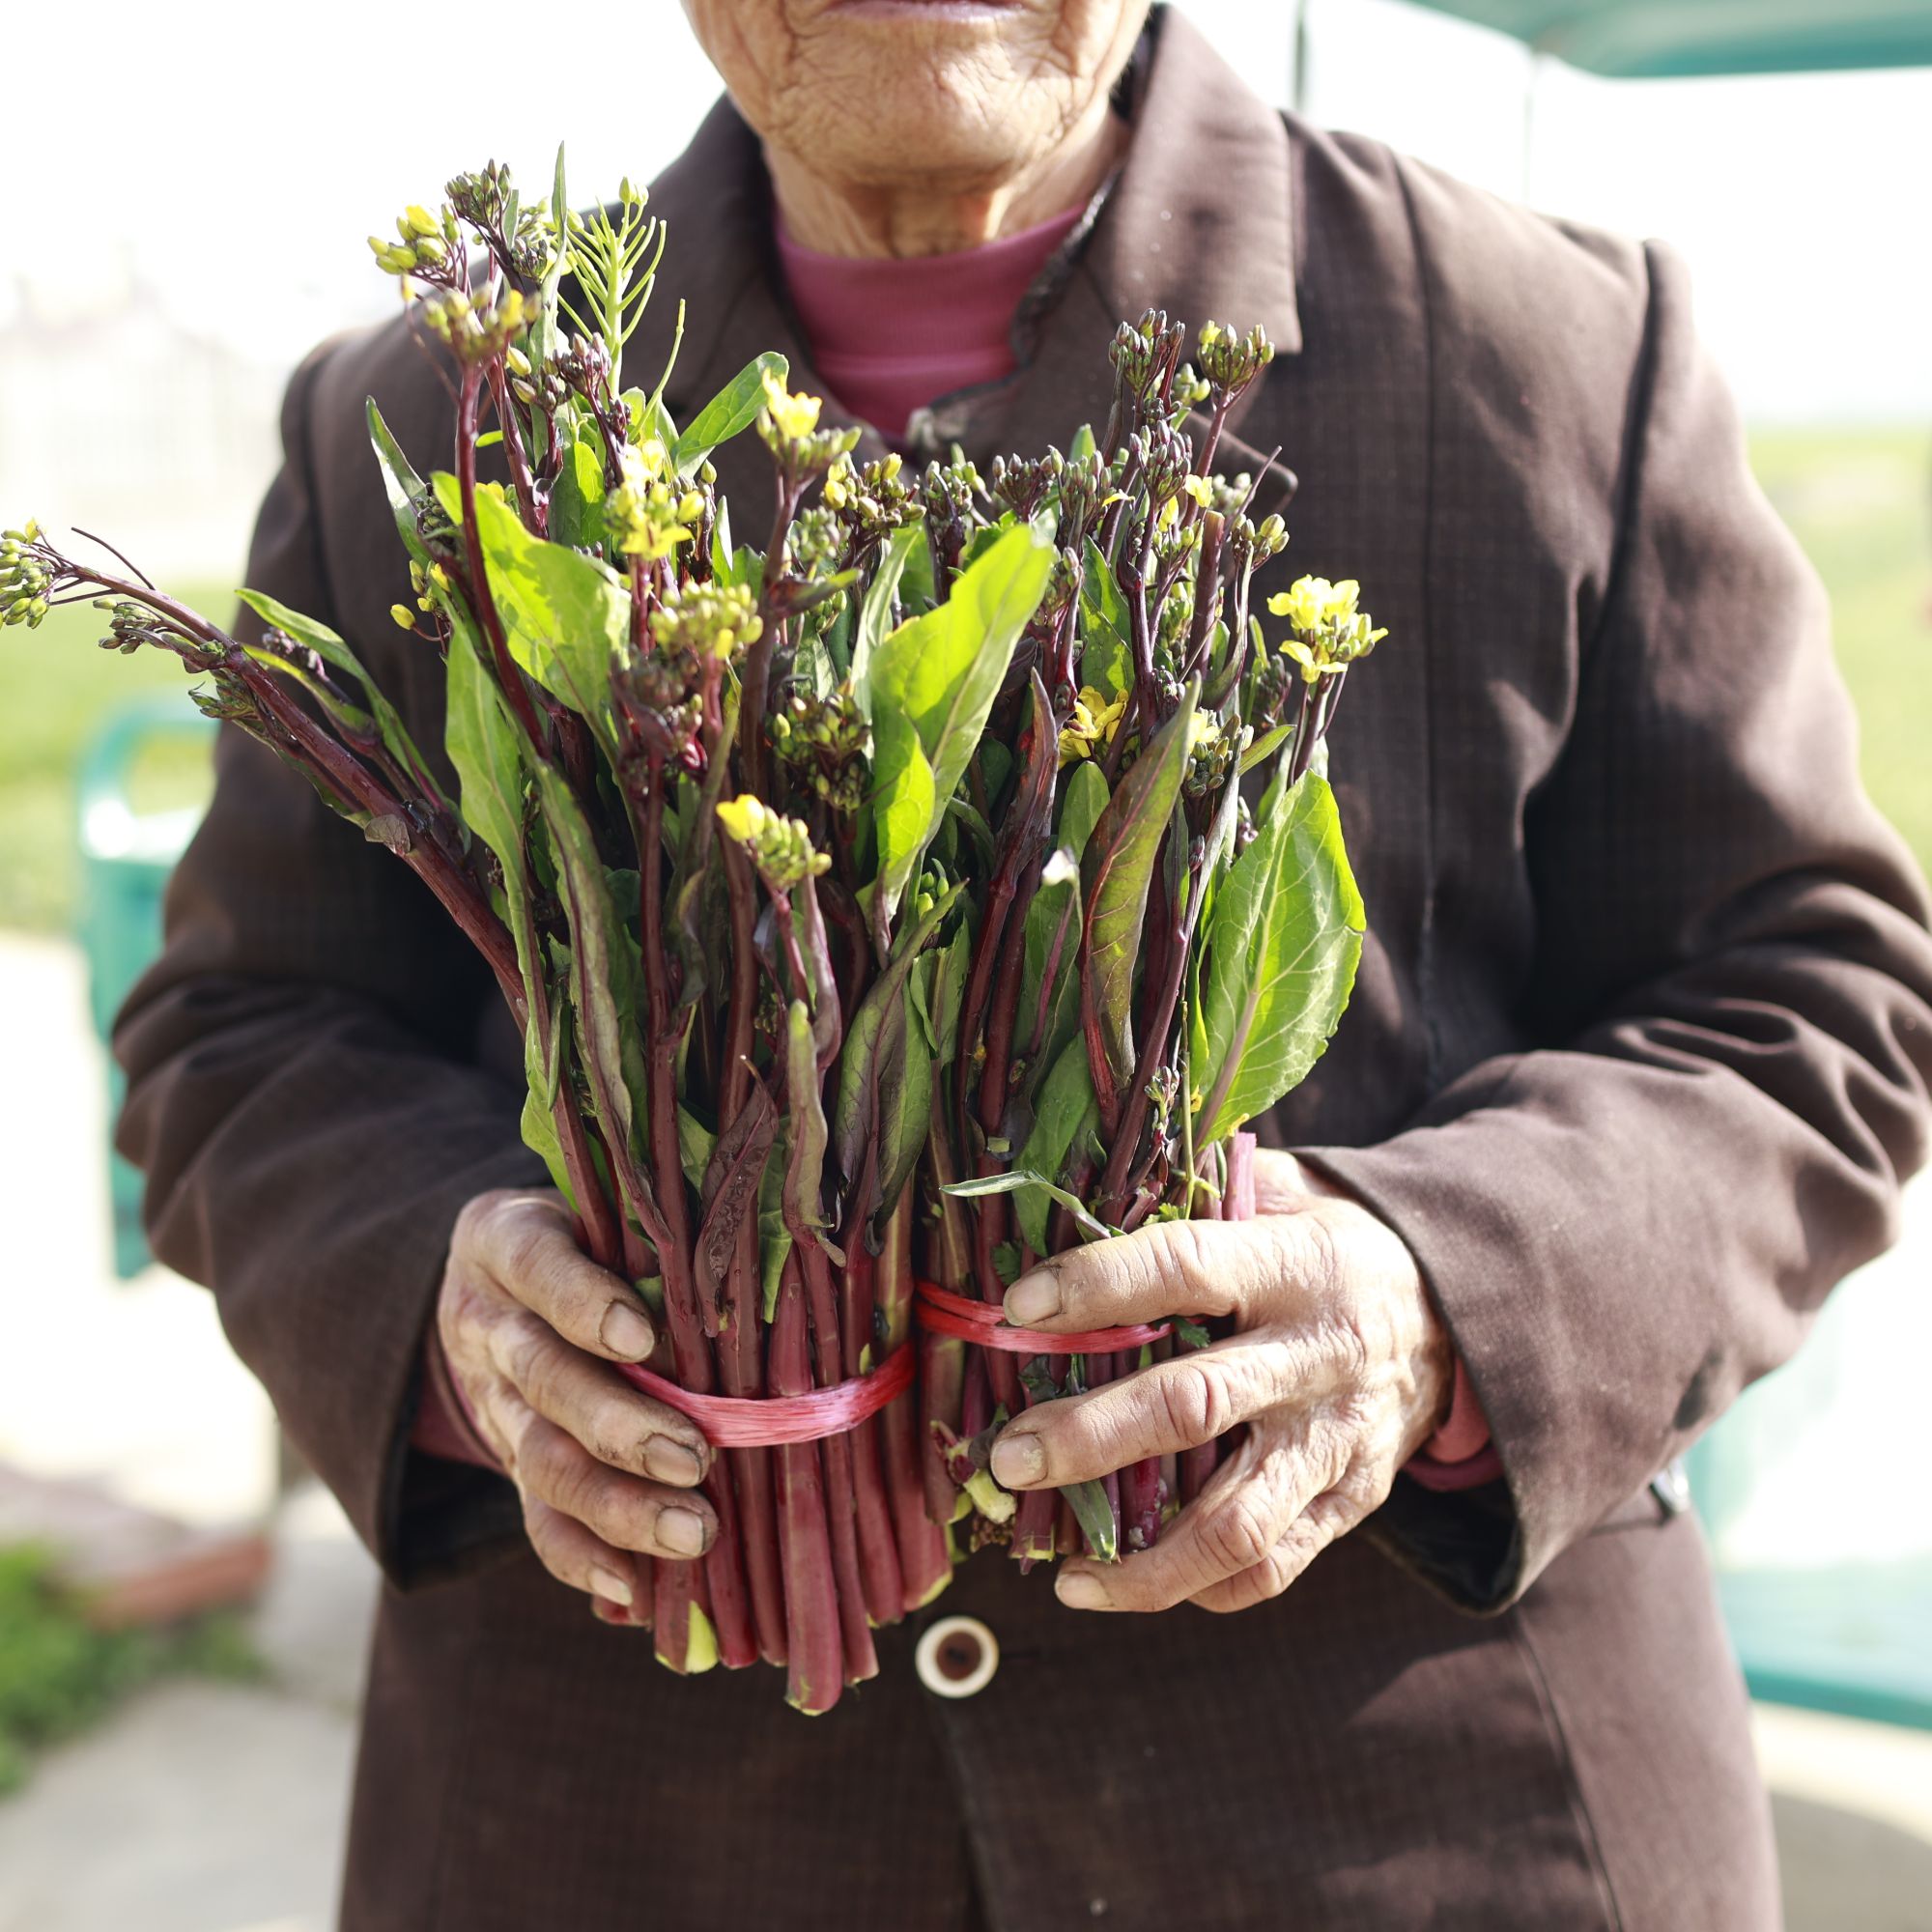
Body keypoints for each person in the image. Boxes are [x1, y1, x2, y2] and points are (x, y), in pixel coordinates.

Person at [116, 3, 1932, 1927]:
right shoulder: (417, 420)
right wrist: (451, 1310)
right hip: (634, 1827)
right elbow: (241, 1031)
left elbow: (1811, 1000)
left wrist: (1432, 1300)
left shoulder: (1544, 346)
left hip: (1407, 1823)